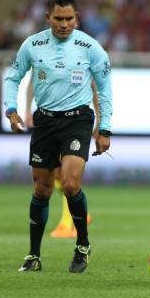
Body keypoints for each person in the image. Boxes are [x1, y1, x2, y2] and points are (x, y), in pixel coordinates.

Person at [4, 0, 112, 273]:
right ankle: (33, 255)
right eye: (59, 19)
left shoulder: (90, 47)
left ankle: (82, 245)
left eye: (70, 18)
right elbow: (13, 77)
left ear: (76, 17)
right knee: (41, 189)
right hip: (45, 122)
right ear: (47, 18)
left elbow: (104, 88)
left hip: (77, 120)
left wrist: (105, 127)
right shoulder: (33, 45)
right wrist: (11, 109)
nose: (64, 24)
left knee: (71, 182)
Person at [25, 76, 97, 238]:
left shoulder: (79, 55)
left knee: (64, 175)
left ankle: (66, 223)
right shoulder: (41, 56)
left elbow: (93, 85)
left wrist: (100, 120)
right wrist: (28, 109)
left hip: (72, 123)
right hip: (48, 120)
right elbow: (33, 81)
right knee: (56, 175)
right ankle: (77, 216)